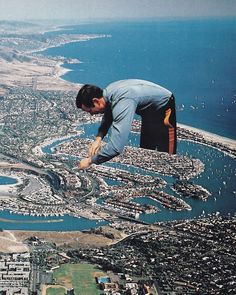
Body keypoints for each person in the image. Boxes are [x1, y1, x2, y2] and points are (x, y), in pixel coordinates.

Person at [76, 79, 177, 169]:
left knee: (168, 157)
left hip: (164, 107)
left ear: (96, 101)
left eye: (90, 110)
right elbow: (108, 115)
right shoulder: (108, 93)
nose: (92, 114)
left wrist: (90, 161)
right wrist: (98, 139)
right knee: (146, 154)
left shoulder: (122, 101)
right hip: (148, 113)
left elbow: (116, 147)